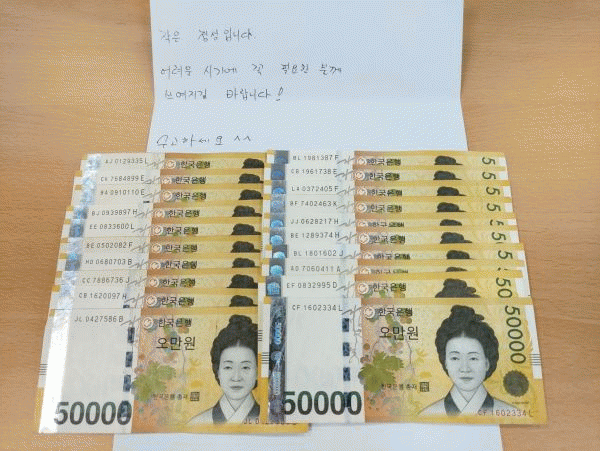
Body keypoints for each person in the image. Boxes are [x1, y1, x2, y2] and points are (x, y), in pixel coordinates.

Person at [420, 305, 517, 416]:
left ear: (487, 363)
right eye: (455, 358)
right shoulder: (426, 415)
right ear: (445, 363)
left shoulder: (512, 413)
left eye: (473, 358)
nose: (465, 369)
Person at [188, 315, 259, 424]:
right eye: (228, 367)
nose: (236, 377)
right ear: (218, 371)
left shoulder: (272, 420)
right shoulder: (196, 423)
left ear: (257, 372)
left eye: (245, 367)